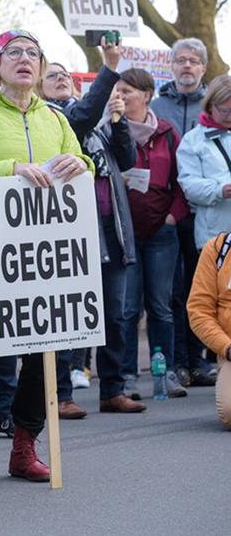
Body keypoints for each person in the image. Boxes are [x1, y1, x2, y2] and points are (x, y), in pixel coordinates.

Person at [0, 29, 91, 488]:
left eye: (33, 53)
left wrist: (81, 164)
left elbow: (81, 168)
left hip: (42, 254)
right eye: (14, 52)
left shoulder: (55, 118)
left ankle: (25, 445)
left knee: (44, 351)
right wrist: (11, 171)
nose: (25, 59)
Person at [38, 50, 146, 417]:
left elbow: (127, 159)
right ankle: (61, 394)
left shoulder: (97, 118)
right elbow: (79, 120)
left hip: (110, 228)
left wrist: (118, 120)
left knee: (115, 314)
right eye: (52, 75)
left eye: (65, 75)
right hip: (72, 233)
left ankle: (112, 390)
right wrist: (110, 68)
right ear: (38, 87)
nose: (61, 78)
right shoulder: (49, 120)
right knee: (68, 316)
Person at [113, 68, 190, 400]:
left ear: (146, 95)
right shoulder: (110, 130)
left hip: (161, 234)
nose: (120, 96)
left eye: (126, 91)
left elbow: (182, 180)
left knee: (161, 306)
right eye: (117, 91)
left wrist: (173, 217)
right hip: (125, 235)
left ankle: (166, 371)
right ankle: (127, 376)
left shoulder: (168, 133)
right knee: (128, 309)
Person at [154, 38, 214, 387]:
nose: (187, 66)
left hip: (204, 213)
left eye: (193, 60)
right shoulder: (157, 107)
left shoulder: (215, 106)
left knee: (201, 289)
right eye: (180, 60)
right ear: (171, 66)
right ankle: (175, 362)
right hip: (167, 214)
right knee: (171, 293)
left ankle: (198, 360)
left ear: (203, 67)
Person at [178, 75, 231, 254]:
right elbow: (189, 185)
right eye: (224, 110)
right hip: (215, 237)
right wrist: (220, 190)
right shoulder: (193, 140)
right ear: (210, 106)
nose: (230, 116)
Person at [186, 232, 231, 430]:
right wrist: (226, 347)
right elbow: (199, 311)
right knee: (229, 412)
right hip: (230, 348)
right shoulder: (217, 248)